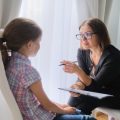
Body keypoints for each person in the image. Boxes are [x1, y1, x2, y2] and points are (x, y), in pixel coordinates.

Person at [0, 18, 96, 120]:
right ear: (29, 44)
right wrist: (64, 110)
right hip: (40, 117)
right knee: (88, 118)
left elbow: (37, 101)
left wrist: (61, 106)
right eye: (38, 42)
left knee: (76, 111)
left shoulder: (9, 63)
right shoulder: (28, 72)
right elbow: (47, 104)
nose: (39, 45)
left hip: (34, 114)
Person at [61, 18, 120, 115]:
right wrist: (77, 86)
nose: (83, 39)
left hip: (115, 97)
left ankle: (68, 113)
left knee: (88, 98)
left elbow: (95, 87)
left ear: (100, 35)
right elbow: (83, 79)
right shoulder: (83, 52)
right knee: (78, 95)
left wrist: (77, 71)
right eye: (81, 35)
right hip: (97, 92)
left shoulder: (113, 56)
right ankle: (65, 112)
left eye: (88, 34)